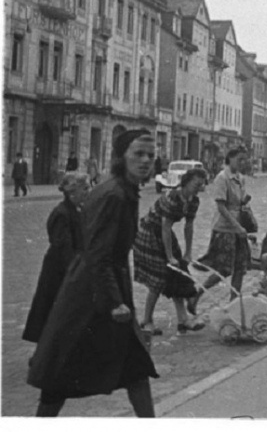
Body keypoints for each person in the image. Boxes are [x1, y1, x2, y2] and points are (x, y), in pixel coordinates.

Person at [27, 129, 159, 417]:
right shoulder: (114, 194)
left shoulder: (124, 190)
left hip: (102, 289)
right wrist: (114, 301)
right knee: (60, 373)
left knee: (135, 367)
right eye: (138, 153)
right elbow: (98, 254)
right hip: (91, 295)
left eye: (151, 154)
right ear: (121, 157)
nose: (146, 160)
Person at [133, 168, 208, 335]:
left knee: (179, 274)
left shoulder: (194, 201)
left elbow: (189, 226)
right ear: (186, 182)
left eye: (202, 185)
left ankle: (183, 320)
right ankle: (146, 321)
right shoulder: (172, 197)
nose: (199, 188)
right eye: (196, 184)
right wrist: (169, 256)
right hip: (150, 232)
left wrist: (187, 253)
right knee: (158, 278)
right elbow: (165, 227)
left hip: (164, 234)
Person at [22, 172, 92, 343]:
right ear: (72, 192)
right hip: (58, 272)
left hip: (70, 269)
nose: (89, 191)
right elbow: (63, 248)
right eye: (86, 188)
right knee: (52, 313)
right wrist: (76, 271)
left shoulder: (78, 209)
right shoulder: (61, 213)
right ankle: (42, 356)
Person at [192, 148, 252, 308]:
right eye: (240, 159)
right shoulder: (222, 178)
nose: (242, 163)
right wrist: (238, 227)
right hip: (225, 229)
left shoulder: (240, 178)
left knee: (240, 268)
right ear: (230, 158)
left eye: (244, 160)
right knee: (224, 269)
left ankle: (234, 305)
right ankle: (197, 295)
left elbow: (237, 203)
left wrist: (244, 203)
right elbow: (221, 207)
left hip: (239, 229)